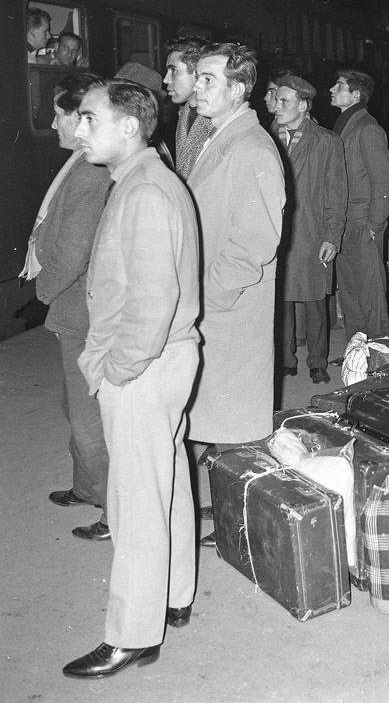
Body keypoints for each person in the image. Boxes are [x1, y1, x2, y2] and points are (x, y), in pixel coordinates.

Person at [63, 79, 201, 678]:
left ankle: (131, 632)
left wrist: (116, 371)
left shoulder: (144, 190)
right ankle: (173, 596)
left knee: (135, 502)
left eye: (89, 118)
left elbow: (152, 300)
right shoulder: (147, 180)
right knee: (164, 480)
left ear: (128, 127)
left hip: (144, 366)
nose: (78, 129)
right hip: (166, 361)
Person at [186, 44, 285, 549]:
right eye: (199, 78)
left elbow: (254, 244)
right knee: (214, 420)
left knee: (237, 430)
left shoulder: (252, 147)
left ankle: (254, 531)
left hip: (227, 309)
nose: (196, 88)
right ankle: (227, 519)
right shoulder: (220, 136)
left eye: (207, 80)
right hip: (216, 307)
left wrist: (204, 301)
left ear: (238, 89)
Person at [19, 73, 112, 542]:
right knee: (72, 404)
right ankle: (85, 488)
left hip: (81, 310)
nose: (53, 122)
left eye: (59, 114)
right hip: (73, 309)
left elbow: (74, 251)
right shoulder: (81, 162)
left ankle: (117, 513)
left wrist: (41, 292)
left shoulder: (90, 171)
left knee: (87, 417)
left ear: (81, 120)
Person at [275, 74, 346, 383]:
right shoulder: (267, 137)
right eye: (277, 100)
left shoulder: (327, 141)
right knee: (282, 298)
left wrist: (332, 235)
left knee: (315, 299)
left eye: (284, 101)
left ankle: (316, 361)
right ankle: (286, 358)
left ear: (303, 106)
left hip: (312, 231)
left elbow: (336, 193)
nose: (276, 107)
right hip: (277, 232)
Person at [330, 69, 389, 340]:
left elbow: (384, 182)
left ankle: (383, 354)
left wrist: (374, 225)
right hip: (346, 221)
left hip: (363, 223)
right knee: (350, 294)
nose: (332, 89)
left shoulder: (367, 128)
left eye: (340, 85)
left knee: (371, 295)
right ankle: (357, 352)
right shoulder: (345, 123)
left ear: (356, 95)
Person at [163, 34, 212, 180]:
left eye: (174, 71)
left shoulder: (215, 120)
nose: (166, 79)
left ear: (197, 74)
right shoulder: (185, 112)